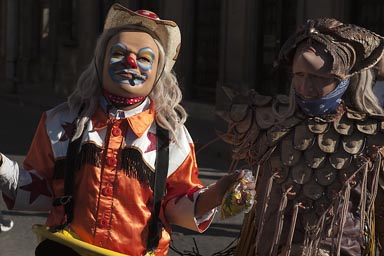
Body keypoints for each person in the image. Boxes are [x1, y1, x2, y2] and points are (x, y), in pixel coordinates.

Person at [0, 3, 255, 256]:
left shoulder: (171, 136)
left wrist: (218, 193)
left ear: (158, 73)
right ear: (100, 61)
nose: (130, 62)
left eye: (144, 58)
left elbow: (175, 207)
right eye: (119, 53)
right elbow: (40, 192)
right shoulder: (60, 122)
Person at [221, 18, 384, 255]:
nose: (306, 87)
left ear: (344, 79)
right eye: (299, 75)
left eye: (319, 78)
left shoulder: (370, 137)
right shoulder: (266, 124)